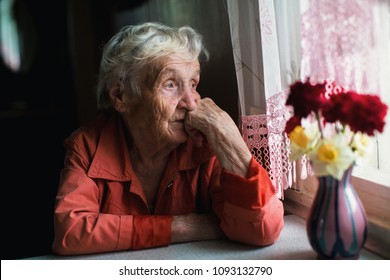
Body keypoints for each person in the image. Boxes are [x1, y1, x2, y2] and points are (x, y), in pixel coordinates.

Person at [52, 22, 284, 255]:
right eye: (170, 84)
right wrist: (185, 226)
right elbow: (71, 233)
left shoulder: (205, 144)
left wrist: (229, 138)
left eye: (193, 84)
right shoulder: (88, 146)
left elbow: (262, 230)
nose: (191, 102)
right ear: (120, 96)